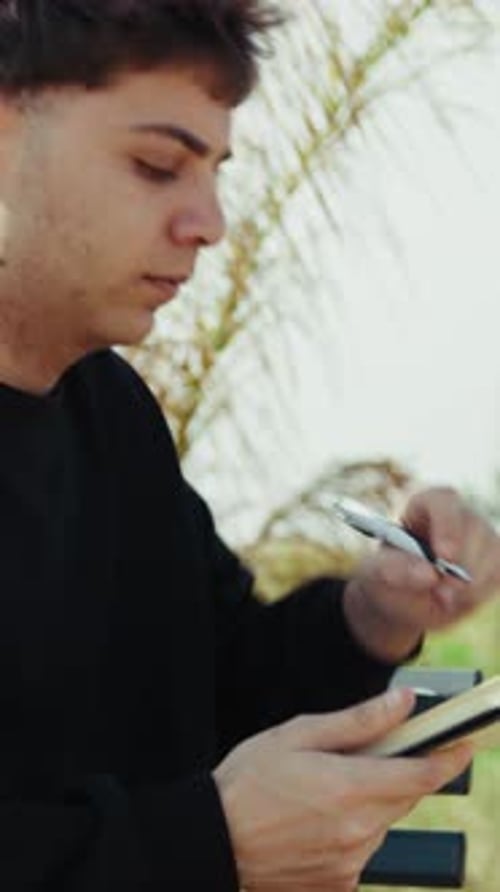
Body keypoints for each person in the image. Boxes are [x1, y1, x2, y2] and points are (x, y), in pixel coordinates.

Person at [0, 2, 498, 890]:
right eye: (156, 166)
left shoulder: (111, 413)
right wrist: (200, 844)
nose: (210, 222)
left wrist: (373, 614)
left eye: (215, 172)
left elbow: (224, 688)